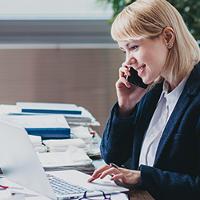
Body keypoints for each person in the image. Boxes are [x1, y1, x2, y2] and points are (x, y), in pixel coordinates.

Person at [88, 0, 200, 199]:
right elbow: (113, 156)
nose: (127, 61)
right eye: (124, 50)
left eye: (134, 47)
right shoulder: (154, 91)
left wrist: (143, 178)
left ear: (167, 37)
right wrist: (126, 107)